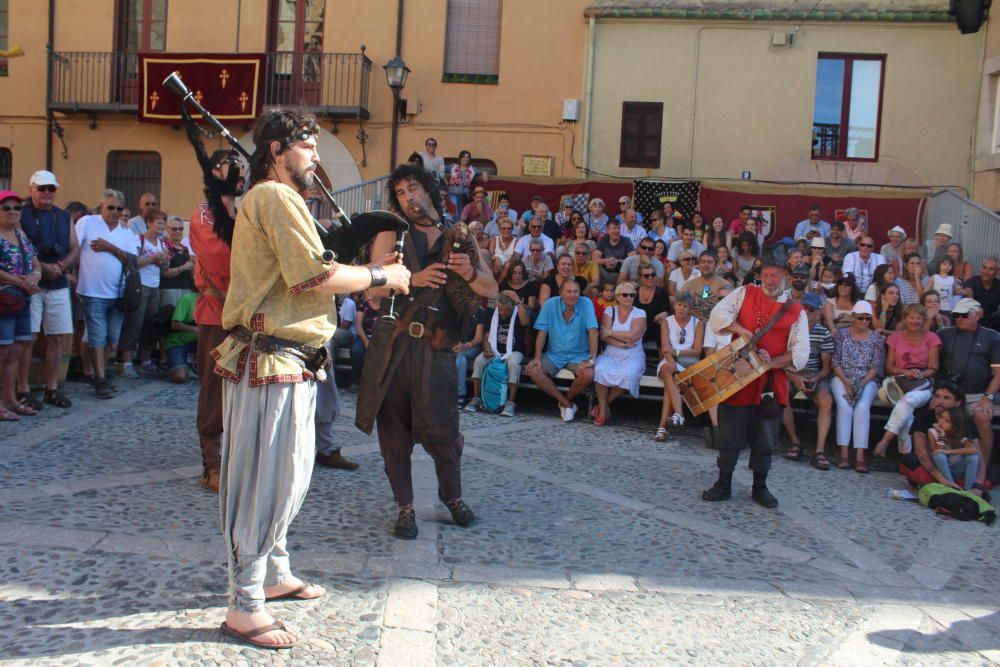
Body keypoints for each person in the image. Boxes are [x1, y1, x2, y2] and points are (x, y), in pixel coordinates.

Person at [213, 110, 410, 649]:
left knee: (289, 477)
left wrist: (369, 283)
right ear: (277, 150)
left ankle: (273, 572)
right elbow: (313, 276)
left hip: (294, 359)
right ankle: (244, 603)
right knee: (262, 484)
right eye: (308, 146)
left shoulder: (285, 201)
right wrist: (381, 276)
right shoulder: (273, 197)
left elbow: (311, 280)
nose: (316, 156)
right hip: (270, 358)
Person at [356, 163, 496, 542]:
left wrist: (469, 273)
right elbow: (370, 288)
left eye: (413, 188)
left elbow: (491, 289)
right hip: (396, 346)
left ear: (430, 190)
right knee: (394, 432)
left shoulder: (457, 235)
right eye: (400, 192)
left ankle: (452, 496)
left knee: (444, 432)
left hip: (437, 350)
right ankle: (405, 508)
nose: (408, 198)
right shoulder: (392, 233)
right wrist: (408, 279)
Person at [702, 259, 809, 507]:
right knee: (730, 434)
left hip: (771, 383)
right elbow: (718, 314)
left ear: (785, 277)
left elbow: (801, 353)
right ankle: (723, 483)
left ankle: (760, 487)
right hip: (738, 377)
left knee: (765, 438)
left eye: (776, 275)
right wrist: (741, 329)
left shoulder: (796, 311)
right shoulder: (744, 292)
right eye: (767, 274)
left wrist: (771, 363)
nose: (770, 280)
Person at [187, 148, 240, 493]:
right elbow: (220, 258)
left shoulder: (252, 210)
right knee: (214, 390)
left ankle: (240, 459)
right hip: (217, 313)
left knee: (247, 391)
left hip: (252, 317)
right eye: (229, 166)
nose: (238, 171)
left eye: (242, 166)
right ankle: (213, 462)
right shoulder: (204, 214)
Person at [17, 170, 79, 410]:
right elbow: (18, 244)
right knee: (27, 338)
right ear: (31, 189)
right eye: (42, 188)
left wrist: (61, 266)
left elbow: (75, 248)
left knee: (57, 338)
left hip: (58, 283)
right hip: (31, 285)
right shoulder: (20, 214)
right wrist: (43, 268)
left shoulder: (64, 217)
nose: (46, 193)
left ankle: (52, 388)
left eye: (51, 189)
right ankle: (22, 388)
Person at [75, 189, 141, 399]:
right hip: (92, 291)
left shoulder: (125, 232)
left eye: (118, 208)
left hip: (119, 293)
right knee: (97, 336)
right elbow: (74, 248)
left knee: (111, 339)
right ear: (101, 206)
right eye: (110, 207)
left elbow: (133, 260)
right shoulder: (88, 222)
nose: (114, 211)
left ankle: (99, 373)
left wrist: (110, 248)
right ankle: (100, 379)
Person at [937, 298, 1000, 493]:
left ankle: (982, 470)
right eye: (956, 315)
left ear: (978, 315)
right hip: (950, 391)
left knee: (981, 417)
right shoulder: (945, 334)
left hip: (978, 393)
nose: (959, 319)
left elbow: (999, 373)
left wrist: (987, 397)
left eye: (964, 315)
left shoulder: (992, 337)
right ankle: (946, 467)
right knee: (937, 411)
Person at [872, 304, 941, 458]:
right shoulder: (895, 338)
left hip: (922, 384)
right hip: (899, 382)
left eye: (918, 318)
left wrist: (919, 374)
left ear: (924, 320)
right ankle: (906, 459)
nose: (914, 321)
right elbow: (889, 367)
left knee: (907, 402)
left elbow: (934, 368)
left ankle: (884, 441)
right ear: (905, 319)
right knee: (907, 416)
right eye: (911, 317)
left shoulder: (932, 338)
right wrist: (905, 372)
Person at [525, 278, 598, 423]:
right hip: (555, 354)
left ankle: (564, 402)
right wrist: (538, 357)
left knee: (588, 374)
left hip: (579, 355)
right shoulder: (551, 304)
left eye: (575, 291)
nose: (572, 295)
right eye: (569, 291)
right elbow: (542, 332)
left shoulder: (586, 303)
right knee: (534, 370)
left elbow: (593, 331)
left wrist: (591, 359)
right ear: (560, 293)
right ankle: (567, 404)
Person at [0, 190, 41, 420]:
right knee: (2, 351)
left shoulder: (20, 234)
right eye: (6, 208)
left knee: (16, 350)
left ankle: (10, 399)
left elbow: (35, 263)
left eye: (17, 208)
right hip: (4, 300)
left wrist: (34, 276)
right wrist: (19, 281)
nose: (12, 212)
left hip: (22, 300)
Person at [782, 293, 835, 470]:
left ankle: (819, 451)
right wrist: (795, 376)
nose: (806, 312)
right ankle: (795, 441)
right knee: (779, 395)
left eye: (811, 309)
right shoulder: (790, 329)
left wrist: (814, 378)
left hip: (814, 372)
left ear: (818, 313)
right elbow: (782, 360)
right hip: (791, 370)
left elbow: (826, 367)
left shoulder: (823, 333)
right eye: (804, 308)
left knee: (826, 401)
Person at [831, 301, 885, 473]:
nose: (863, 322)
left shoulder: (876, 338)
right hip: (842, 376)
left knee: (862, 407)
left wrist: (860, 385)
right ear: (853, 317)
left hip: (866, 379)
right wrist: (847, 383)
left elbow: (876, 366)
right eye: (860, 318)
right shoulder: (842, 335)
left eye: (867, 319)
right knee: (844, 406)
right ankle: (844, 453)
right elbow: (835, 362)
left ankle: (860, 455)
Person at [900, 382, 978, 489]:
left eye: (946, 398)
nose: (940, 401)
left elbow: (976, 452)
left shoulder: (965, 420)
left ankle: (968, 488)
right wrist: (942, 479)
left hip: (956, 467)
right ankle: (948, 486)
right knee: (908, 460)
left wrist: (978, 486)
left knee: (975, 460)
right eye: (937, 396)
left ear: (958, 403)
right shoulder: (924, 416)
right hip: (933, 468)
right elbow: (921, 452)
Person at [120, 210, 168, 378]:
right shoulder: (139, 239)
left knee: (150, 323)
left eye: (163, 223)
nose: (161, 226)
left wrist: (163, 262)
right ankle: (126, 362)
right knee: (135, 322)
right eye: (158, 222)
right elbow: (134, 263)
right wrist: (153, 259)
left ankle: (145, 360)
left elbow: (163, 269)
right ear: (149, 223)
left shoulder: (162, 243)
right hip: (140, 284)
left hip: (155, 285)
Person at [465, 292, 529, 417]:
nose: (503, 313)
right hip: (495, 349)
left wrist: (517, 300)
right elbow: (486, 335)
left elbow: (525, 322)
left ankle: (510, 402)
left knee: (513, 364)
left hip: (514, 351)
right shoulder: (492, 314)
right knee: (479, 361)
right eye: (500, 309)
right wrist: (487, 348)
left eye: (506, 310)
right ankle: (476, 397)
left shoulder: (518, 313)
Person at [593, 281, 646, 426]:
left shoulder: (640, 313)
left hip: (633, 354)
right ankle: (604, 411)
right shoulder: (610, 311)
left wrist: (611, 332)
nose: (629, 297)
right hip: (612, 352)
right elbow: (604, 337)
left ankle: (602, 406)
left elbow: (634, 335)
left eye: (632, 295)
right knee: (600, 369)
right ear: (617, 297)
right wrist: (622, 343)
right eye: (625, 295)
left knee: (629, 374)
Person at [654, 293, 703, 439]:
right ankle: (678, 414)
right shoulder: (667, 322)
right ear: (674, 305)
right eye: (679, 305)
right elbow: (665, 347)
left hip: (689, 362)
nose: (681, 308)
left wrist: (676, 352)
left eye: (685, 306)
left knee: (670, 384)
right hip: (669, 360)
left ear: (690, 309)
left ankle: (663, 427)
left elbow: (697, 351)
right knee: (668, 370)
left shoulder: (698, 323)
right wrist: (671, 360)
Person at [928, 407, 982, 491]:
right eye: (941, 417)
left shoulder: (958, 436)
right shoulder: (933, 432)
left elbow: (974, 450)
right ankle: (952, 487)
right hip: (941, 471)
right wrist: (942, 434)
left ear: (954, 427)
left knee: (973, 457)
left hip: (956, 470)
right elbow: (936, 451)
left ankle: (967, 490)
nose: (942, 421)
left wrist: (949, 451)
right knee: (939, 455)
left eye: (947, 421)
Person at [679, 250, 733, 322]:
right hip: (692, 325)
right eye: (703, 262)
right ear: (699, 264)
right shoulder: (688, 286)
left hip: (715, 326)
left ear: (716, 265)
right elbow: (679, 309)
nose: (706, 265)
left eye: (709, 262)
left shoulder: (725, 286)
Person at [159, 216, 196, 307]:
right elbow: (164, 273)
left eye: (180, 229)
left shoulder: (185, 249)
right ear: (167, 230)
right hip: (170, 290)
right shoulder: (164, 246)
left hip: (187, 290)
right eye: (174, 229)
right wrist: (183, 268)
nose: (178, 232)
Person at [455, 305, 487, 408]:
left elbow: (479, 338)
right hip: (460, 345)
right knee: (461, 359)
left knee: (460, 355)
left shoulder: (480, 312)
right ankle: (457, 394)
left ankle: (460, 395)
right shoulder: (460, 310)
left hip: (474, 346)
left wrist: (466, 345)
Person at [163, 290, 197, 383]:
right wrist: (195, 329)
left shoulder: (217, 300)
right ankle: (178, 364)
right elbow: (174, 324)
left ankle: (196, 365)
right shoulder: (187, 298)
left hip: (201, 343)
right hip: (178, 342)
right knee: (179, 378)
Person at [592, 219, 635, 285]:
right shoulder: (603, 240)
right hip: (604, 273)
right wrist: (606, 261)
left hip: (620, 273)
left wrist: (617, 261)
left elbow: (633, 259)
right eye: (614, 228)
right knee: (595, 268)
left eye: (618, 228)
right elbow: (595, 259)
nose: (617, 231)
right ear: (608, 230)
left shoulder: (626, 241)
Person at [962, 257, 1000, 329]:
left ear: (998, 271)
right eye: (984, 267)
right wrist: (975, 306)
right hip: (973, 319)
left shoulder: (998, 285)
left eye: (991, 269)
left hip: (992, 322)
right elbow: (968, 290)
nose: (986, 271)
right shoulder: (974, 280)